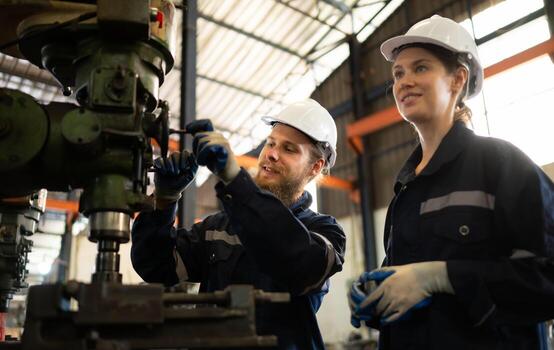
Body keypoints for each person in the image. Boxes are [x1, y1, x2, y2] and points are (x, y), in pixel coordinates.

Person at [348, 14, 554, 349]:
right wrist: (377, 293)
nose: (403, 81)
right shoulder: (406, 187)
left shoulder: (500, 164)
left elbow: (547, 277)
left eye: (421, 68)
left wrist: (443, 277)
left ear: (457, 79)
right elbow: (410, 291)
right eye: (398, 73)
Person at [131, 99, 346, 350]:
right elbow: (156, 267)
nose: (272, 154)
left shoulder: (325, 233)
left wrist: (234, 179)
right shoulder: (218, 227)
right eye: (271, 143)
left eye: (289, 149)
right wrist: (164, 201)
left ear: (315, 167)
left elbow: (294, 259)